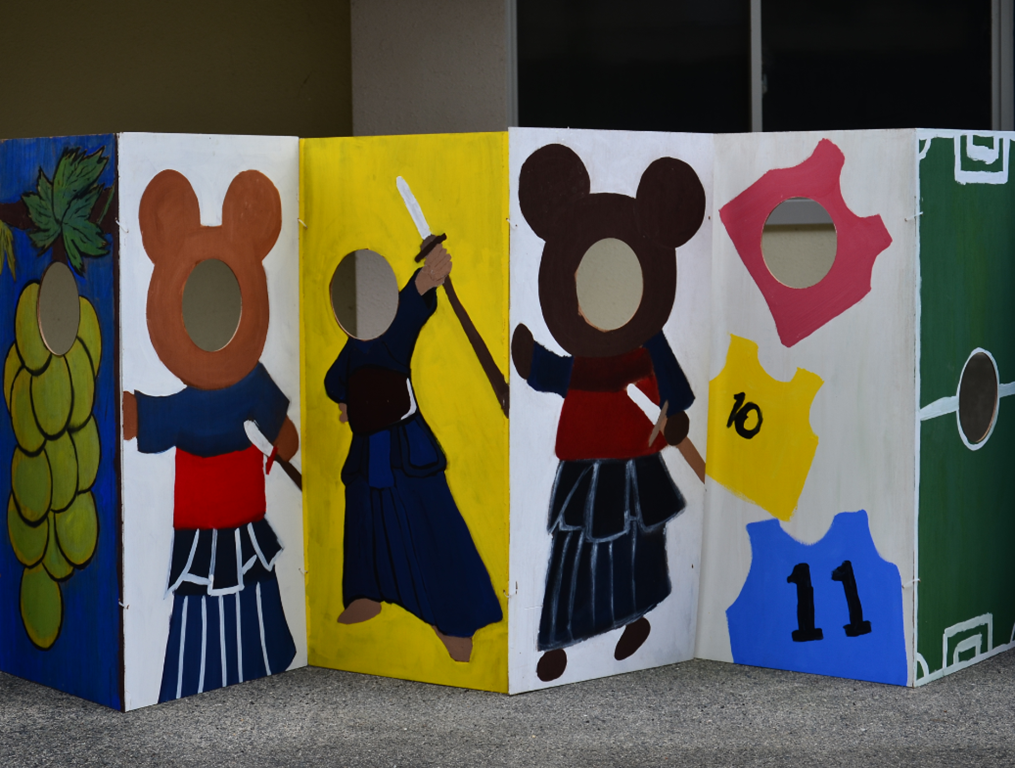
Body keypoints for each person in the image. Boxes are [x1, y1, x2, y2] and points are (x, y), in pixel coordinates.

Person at [324, 243, 502, 662]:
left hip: (405, 447)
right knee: (367, 521)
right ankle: (366, 594)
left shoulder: (394, 326)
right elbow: (334, 380)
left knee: (427, 523)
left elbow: (411, 303)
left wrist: (427, 278)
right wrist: (347, 401)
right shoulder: (355, 341)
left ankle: (455, 620)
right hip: (367, 450)